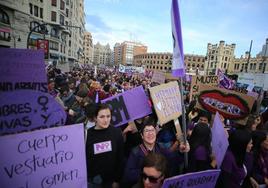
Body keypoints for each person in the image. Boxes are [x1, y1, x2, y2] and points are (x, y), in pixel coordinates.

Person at [123, 118, 189, 187]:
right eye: (147, 131)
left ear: (156, 133)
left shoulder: (162, 148)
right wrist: (147, 172)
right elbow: (128, 175)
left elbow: (175, 160)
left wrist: (181, 151)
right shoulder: (135, 152)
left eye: (152, 130)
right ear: (142, 135)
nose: (150, 133)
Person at [86, 104, 124, 188]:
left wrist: (117, 180)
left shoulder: (116, 132)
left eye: (108, 116)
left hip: (111, 180)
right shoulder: (87, 135)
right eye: (102, 117)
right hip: (93, 181)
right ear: (95, 118)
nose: (106, 120)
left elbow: (120, 157)